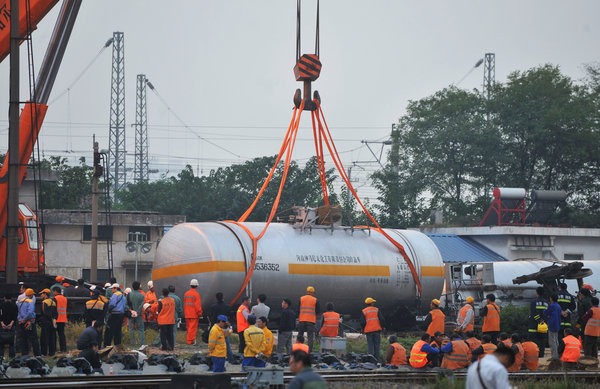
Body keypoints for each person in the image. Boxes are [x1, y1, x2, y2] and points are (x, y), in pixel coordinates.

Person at [209, 292, 233, 362]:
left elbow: (211, 316)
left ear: (216, 298)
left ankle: (213, 356)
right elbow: (230, 316)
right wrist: (229, 325)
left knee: (215, 343)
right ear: (223, 297)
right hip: (224, 327)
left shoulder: (213, 307)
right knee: (227, 344)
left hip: (216, 327)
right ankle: (230, 358)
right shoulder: (227, 307)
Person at [360, 297, 385, 362]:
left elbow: (362, 322)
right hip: (377, 330)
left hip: (368, 331)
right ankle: (377, 361)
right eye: (373, 302)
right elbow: (382, 319)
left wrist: (362, 329)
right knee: (377, 346)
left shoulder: (364, 311)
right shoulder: (376, 310)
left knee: (370, 347)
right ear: (371, 303)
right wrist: (383, 327)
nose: (374, 303)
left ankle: (371, 361)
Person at [17, 288, 40, 356]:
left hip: (21, 323)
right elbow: (30, 312)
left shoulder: (20, 302)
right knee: (34, 339)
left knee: (23, 339)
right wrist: (25, 319)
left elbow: (19, 312)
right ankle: (37, 354)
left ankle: (24, 354)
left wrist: (20, 320)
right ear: (31, 295)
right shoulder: (30, 301)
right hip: (29, 322)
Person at [298, 286, 320, 353]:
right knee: (310, 336)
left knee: (300, 335)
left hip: (302, 320)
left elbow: (297, 309)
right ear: (312, 293)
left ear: (307, 292)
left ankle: (298, 349)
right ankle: (309, 351)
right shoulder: (315, 300)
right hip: (311, 321)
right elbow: (318, 311)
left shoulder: (301, 299)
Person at [529, 286, 549, 358]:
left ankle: (534, 354)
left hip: (534, 324)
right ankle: (541, 354)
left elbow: (533, 312)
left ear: (536, 293)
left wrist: (538, 320)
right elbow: (548, 313)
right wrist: (544, 320)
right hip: (544, 324)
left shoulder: (534, 301)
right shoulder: (546, 302)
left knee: (534, 340)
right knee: (542, 340)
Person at [183, 279, 203, 345]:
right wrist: (200, 314)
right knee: (192, 328)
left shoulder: (186, 294)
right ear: (197, 286)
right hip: (194, 315)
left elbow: (185, 304)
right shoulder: (196, 295)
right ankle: (190, 341)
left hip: (187, 314)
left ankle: (189, 341)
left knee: (189, 328)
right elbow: (198, 306)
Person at [38, 289, 57, 357]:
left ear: (45, 294)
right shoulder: (53, 302)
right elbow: (56, 313)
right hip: (53, 322)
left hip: (46, 322)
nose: (41, 295)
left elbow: (44, 312)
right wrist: (54, 319)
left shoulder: (44, 302)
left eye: (42, 294)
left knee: (44, 338)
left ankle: (44, 353)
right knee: (52, 338)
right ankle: (52, 353)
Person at [543, 294, 562, 360]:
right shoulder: (558, 306)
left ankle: (554, 356)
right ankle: (557, 355)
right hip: (557, 325)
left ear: (551, 299)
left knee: (552, 341)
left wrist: (547, 314)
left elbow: (545, 313)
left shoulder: (552, 306)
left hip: (552, 325)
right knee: (556, 340)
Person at [127, 281, 146, 347]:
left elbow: (126, 305)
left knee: (131, 329)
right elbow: (142, 305)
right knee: (140, 329)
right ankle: (141, 343)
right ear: (139, 287)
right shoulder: (142, 296)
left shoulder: (129, 295)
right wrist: (137, 311)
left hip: (131, 314)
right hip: (139, 314)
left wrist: (131, 311)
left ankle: (133, 343)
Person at [0, 294, 17, 359]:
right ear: (11, 298)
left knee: (1, 342)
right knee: (11, 342)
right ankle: (12, 356)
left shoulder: (1, 305)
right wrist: (11, 323)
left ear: (4, 298)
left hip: (2, 325)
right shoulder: (14, 306)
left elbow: (0, 315)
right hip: (11, 325)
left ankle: (1, 356)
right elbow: (15, 316)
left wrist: (2, 323)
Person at [53, 286, 68, 353]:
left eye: (53, 291)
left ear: (56, 291)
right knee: (62, 334)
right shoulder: (65, 298)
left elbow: (54, 309)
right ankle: (63, 349)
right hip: (63, 318)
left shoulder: (55, 299)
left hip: (57, 319)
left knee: (54, 335)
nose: (53, 293)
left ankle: (54, 349)